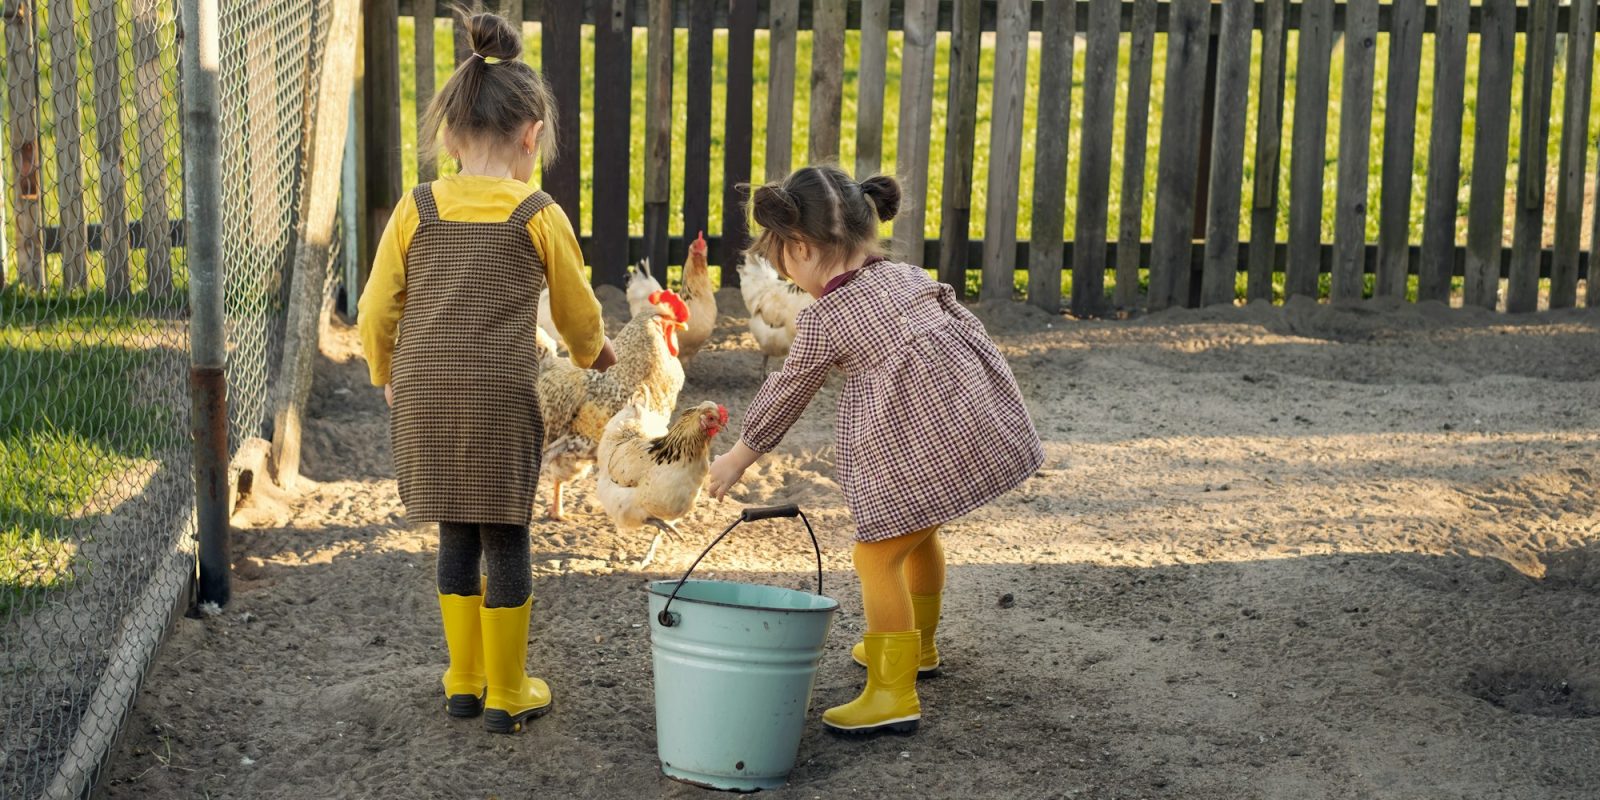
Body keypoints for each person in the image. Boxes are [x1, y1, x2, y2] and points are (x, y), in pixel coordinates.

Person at [707, 165, 1045, 736]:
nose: (785, 271)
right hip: (960, 427)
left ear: (801, 248)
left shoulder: (825, 317)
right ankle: (920, 648)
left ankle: (893, 693)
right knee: (921, 534)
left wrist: (739, 457)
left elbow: (786, 390)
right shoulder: (908, 276)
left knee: (875, 558)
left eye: (782, 258)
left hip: (913, 445)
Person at [357, 8, 614, 735]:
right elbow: (575, 311)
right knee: (507, 535)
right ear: (532, 136)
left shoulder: (417, 206)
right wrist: (598, 355)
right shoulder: (537, 212)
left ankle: (462, 679)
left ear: (448, 136)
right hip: (503, 393)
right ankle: (507, 690)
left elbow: (379, 306)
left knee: (454, 532)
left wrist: (385, 370)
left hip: (427, 388)